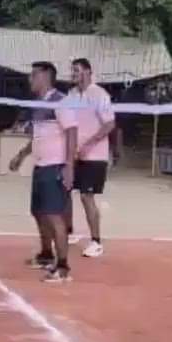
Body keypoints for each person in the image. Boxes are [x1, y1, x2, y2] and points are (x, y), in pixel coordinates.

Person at [9, 62, 78, 283]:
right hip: (40, 166)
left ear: (45, 76)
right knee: (38, 212)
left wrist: (69, 166)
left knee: (54, 215)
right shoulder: (38, 105)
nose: (30, 79)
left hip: (55, 166)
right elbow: (38, 136)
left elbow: (72, 133)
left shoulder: (61, 101)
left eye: (33, 75)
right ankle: (46, 255)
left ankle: (63, 266)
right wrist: (21, 155)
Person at [65, 59, 116, 259]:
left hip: (94, 156)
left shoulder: (99, 94)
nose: (73, 74)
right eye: (72, 70)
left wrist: (89, 144)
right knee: (65, 190)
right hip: (74, 154)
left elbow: (109, 124)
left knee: (87, 197)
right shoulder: (71, 95)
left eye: (76, 70)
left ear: (87, 71)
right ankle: (69, 232)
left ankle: (96, 242)